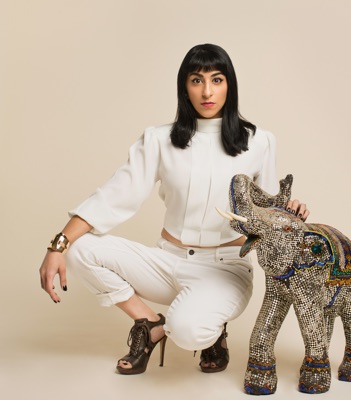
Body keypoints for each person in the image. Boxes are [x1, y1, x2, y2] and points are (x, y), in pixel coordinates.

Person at [39, 43, 309, 375]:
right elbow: (114, 195)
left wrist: (289, 211)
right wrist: (57, 246)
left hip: (225, 268)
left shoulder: (259, 141)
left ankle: (212, 328)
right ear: (184, 87)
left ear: (229, 85)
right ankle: (150, 324)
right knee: (78, 247)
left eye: (217, 80)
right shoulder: (158, 140)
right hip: (167, 262)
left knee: (187, 330)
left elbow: (265, 209)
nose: (207, 91)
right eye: (196, 80)